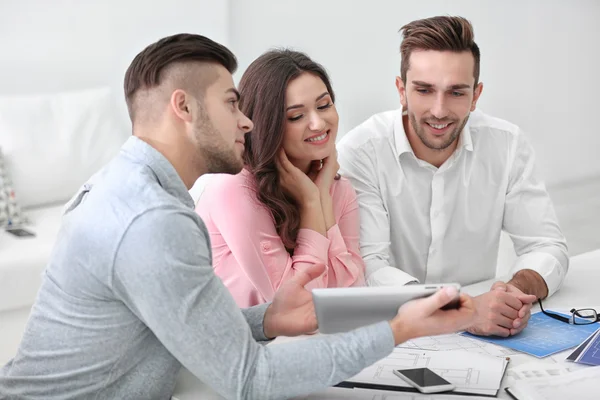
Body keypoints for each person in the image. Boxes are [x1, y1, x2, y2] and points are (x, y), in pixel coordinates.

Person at [0, 33, 476, 399]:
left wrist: (267, 319)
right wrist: (400, 329)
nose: (246, 121)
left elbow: (183, 325)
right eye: (231, 103)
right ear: (183, 108)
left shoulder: (133, 189)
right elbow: (249, 378)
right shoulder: (150, 221)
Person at [337, 15, 569, 338]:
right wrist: (463, 311)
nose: (439, 110)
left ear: (476, 95)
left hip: (485, 337)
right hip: (394, 335)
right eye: (424, 90)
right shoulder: (360, 152)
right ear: (401, 90)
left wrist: (513, 292)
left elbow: (547, 246)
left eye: (457, 93)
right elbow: (368, 267)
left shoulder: (508, 144)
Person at [196, 49, 365, 308]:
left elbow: (353, 299)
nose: (318, 123)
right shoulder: (233, 187)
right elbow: (293, 305)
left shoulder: (338, 190)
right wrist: (311, 203)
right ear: (267, 124)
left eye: (324, 105)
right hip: (238, 342)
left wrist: (321, 197)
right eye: (296, 116)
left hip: (308, 343)